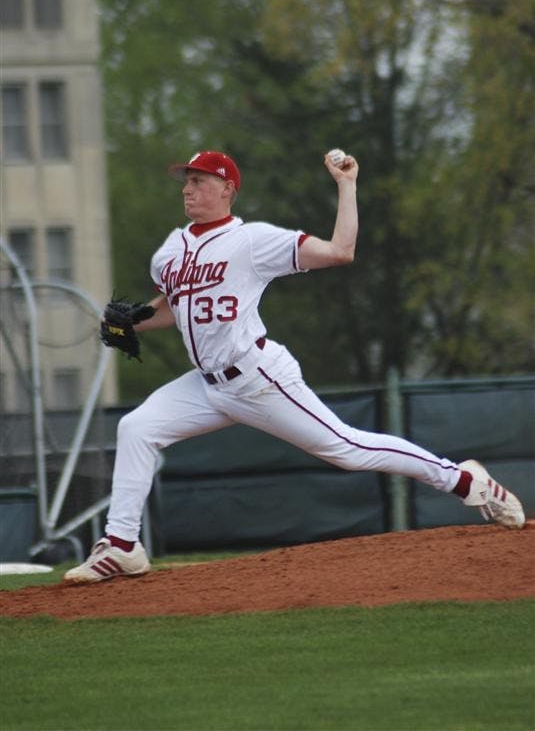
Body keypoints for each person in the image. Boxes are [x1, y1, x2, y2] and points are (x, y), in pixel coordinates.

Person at [64, 150, 525, 583]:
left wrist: (347, 186)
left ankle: (465, 480)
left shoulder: (252, 241)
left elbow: (340, 251)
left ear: (226, 188)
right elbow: (177, 305)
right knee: (137, 428)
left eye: (199, 181)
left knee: (348, 449)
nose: (188, 189)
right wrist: (134, 322)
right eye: (186, 181)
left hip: (258, 378)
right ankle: (122, 544)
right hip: (207, 387)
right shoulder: (170, 251)